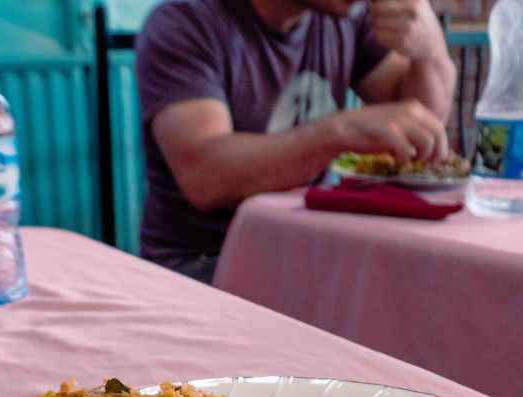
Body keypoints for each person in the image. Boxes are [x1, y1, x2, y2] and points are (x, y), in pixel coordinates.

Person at [136, 0, 456, 283]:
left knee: (423, 286)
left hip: (303, 249)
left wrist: (431, 52)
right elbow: (205, 176)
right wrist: (339, 132)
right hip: (198, 264)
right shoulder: (184, 22)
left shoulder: (346, 18)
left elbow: (422, 126)